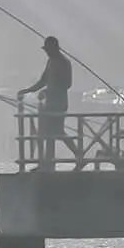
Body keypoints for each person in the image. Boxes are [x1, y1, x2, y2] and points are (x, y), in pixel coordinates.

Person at [18, 36, 75, 166]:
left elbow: (67, 84)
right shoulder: (51, 61)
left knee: (56, 132)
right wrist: (27, 90)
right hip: (49, 104)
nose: (46, 52)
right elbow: (43, 81)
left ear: (54, 48)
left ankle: (76, 154)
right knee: (45, 133)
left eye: (48, 49)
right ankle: (46, 163)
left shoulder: (64, 62)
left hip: (59, 104)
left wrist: (47, 92)